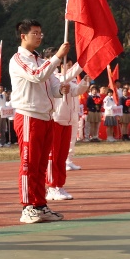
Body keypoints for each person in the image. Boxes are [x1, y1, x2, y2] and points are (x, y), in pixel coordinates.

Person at [9, 20, 68, 224]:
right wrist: (58, 57)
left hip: (45, 116)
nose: (39, 36)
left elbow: (52, 87)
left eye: (40, 33)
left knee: (41, 164)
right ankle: (27, 207)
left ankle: (40, 204)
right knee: (29, 164)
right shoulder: (18, 59)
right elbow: (36, 76)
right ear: (23, 36)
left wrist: (61, 89)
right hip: (28, 116)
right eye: (35, 33)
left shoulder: (40, 59)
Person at [46, 63, 85, 202]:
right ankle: (51, 187)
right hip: (56, 119)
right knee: (53, 156)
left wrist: (87, 79)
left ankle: (59, 185)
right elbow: (63, 80)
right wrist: (83, 63)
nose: (68, 65)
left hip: (69, 119)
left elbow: (77, 90)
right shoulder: (54, 77)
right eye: (67, 63)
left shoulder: (71, 79)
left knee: (62, 156)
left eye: (71, 64)